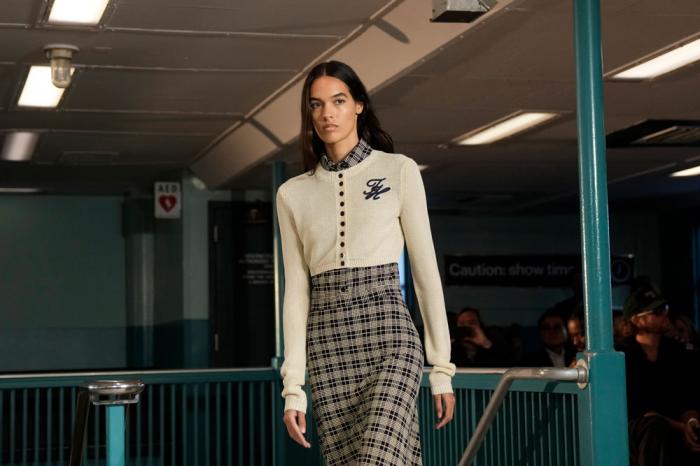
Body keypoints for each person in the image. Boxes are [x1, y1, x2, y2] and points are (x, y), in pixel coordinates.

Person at [275, 60, 456, 465]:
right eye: (316, 104)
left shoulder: (399, 170)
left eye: (338, 101)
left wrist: (441, 366)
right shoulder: (291, 194)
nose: (327, 114)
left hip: (389, 336)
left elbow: (426, 275)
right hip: (327, 343)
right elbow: (296, 294)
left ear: (358, 105)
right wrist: (293, 386)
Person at [621, 286, 700, 465]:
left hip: (675, 425)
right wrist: (681, 428)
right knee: (654, 427)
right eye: (656, 311)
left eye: (664, 309)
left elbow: (688, 395)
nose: (665, 314)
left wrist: (691, 421)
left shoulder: (677, 352)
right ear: (636, 320)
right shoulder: (622, 355)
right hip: (641, 430)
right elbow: (639, 410)